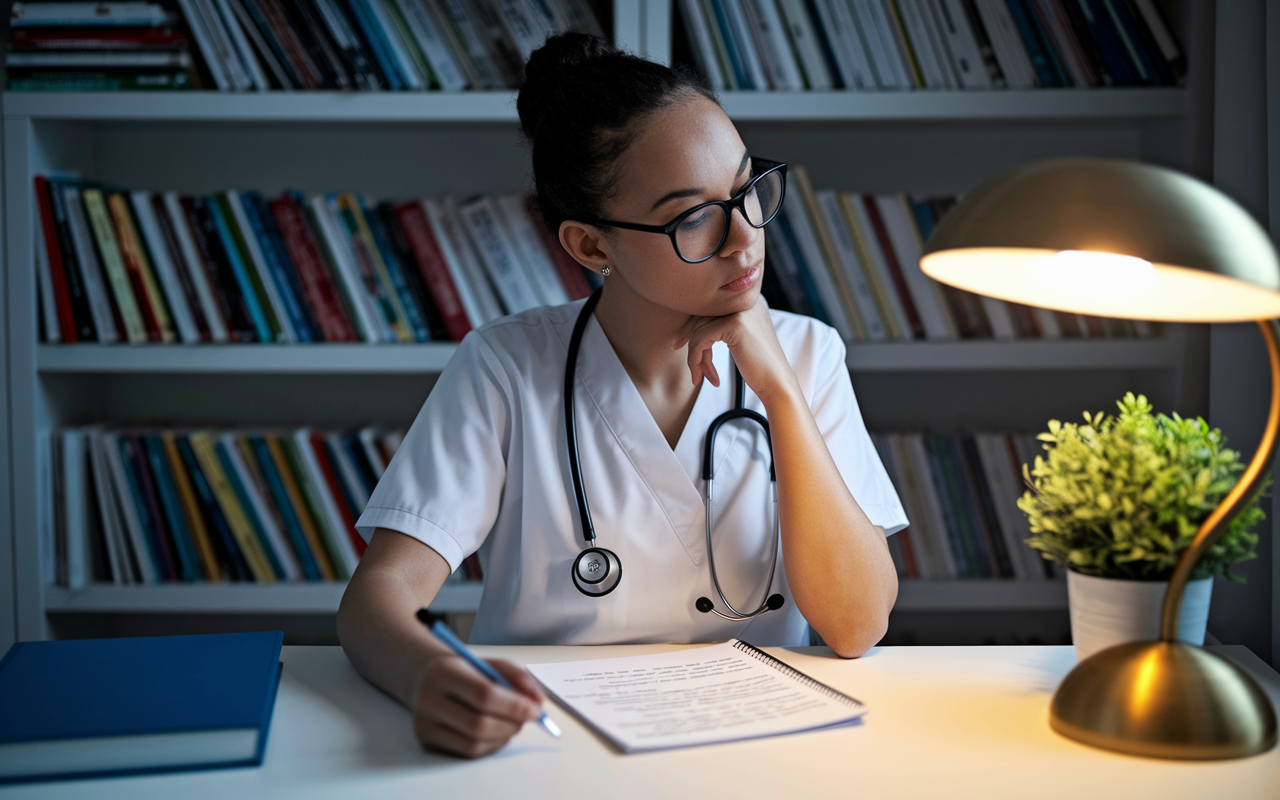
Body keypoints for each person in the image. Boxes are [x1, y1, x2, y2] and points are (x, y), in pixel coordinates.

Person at [336, 32, 908, 759]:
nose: (744, 239)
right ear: (590, 247)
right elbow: (376, 599)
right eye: (692, 217)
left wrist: (783, 397)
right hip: (554, 752)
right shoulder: (507, 366)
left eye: (744, 190)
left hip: (759, 754)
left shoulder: (806, 354)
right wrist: (431, 677)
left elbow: (858, 626)